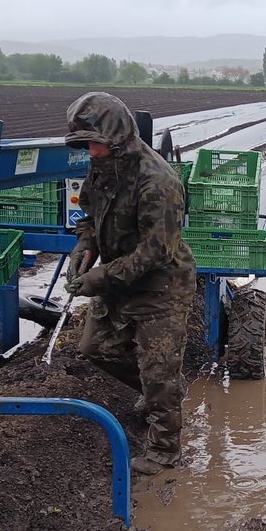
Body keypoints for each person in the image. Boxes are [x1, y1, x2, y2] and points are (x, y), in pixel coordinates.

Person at [62, 92, 195, 475]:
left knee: (158, 371)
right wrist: (83, 249)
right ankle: (163, 395)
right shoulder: (102, 168)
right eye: (85, 144)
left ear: (117, 138)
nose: (91, 152)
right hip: (118, 281)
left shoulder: (159, 183)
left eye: (96, 144)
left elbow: (155, 254)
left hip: (161, 286)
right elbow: (88, 215)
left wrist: (98, 278)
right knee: (94, 347)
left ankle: (164, 451)